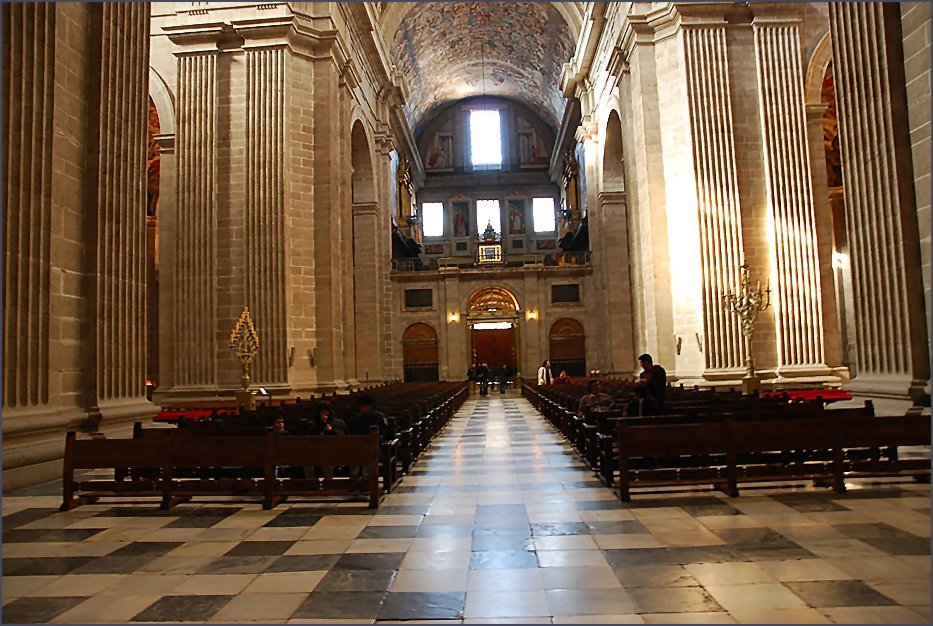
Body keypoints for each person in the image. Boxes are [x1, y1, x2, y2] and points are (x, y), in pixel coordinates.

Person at [307, 401, 348, 482]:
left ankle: (329, 483)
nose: (324, 413)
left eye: (326, 411)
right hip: (318, 452)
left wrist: (330, 430)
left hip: (335, 452)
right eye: (321, 411)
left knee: (326, 463)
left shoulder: (338, 423)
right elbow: (311, 439)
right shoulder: (314, 424)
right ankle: (312, 483)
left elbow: (343, 437)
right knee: (306, 462)